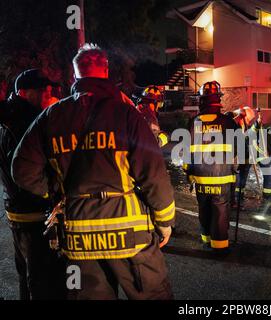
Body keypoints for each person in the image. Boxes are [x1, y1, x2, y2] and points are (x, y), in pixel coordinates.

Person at [11, 44, 175, 300]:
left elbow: (21, 170)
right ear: (106, 71)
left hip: (79, 237)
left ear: (76, 76)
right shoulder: (126, 113)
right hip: (130, 237)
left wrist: (57, 191)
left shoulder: (52, 115)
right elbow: (153, 172)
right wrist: (164, 222)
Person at [0, 68, 65, 299]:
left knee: (27, 274)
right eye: (43, 90)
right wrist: (52, 194)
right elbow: (31, 169)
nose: (48, 93)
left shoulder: (11, 116)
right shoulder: (27, 120)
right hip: (35, 212)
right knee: (42, 278)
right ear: (25, 92)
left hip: (19, 211)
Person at [184, 80, 238, 253]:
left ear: (202, 100)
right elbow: (239, 151)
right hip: (222, 178)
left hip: (200, 178)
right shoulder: (228, 123)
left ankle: (206, 239)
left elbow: (187, 154)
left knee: (204, 208)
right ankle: (220, 246)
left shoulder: (193, 123)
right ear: (218, 99)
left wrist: (188, 172)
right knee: (220, 210)